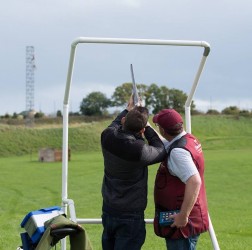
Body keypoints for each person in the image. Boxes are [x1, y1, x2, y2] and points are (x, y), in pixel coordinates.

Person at [100, 96, 166, 250]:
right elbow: (161, 149)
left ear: (124, 120)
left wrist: (128, 110)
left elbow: (115, 123)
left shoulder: (106, 136)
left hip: (108, 208)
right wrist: (148, 126)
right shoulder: (139, 150)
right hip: (130, 214)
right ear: (142, 130)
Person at [152, 109, 209, 250]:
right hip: (192, 215)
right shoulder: (188, 139)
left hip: (181, 222)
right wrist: (144, 125)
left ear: (164, 130)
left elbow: (194, 181)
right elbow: (164, 142)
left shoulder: (178, 152)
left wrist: (183, 215)